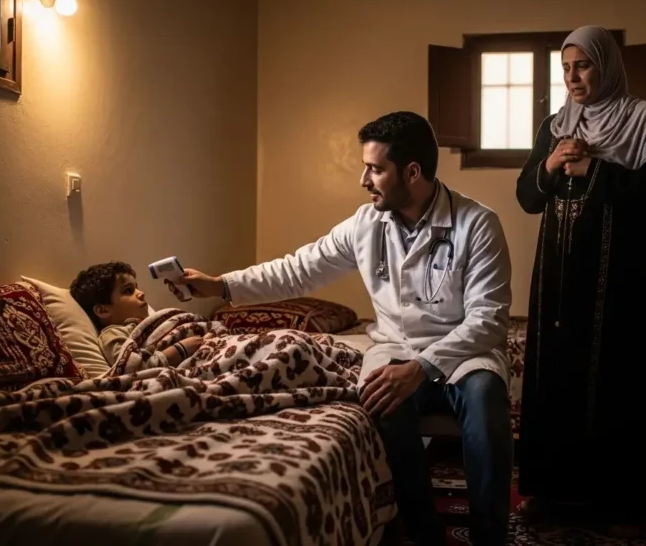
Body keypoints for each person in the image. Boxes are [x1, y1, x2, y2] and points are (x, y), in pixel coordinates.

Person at [167, 111, 514, 546]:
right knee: (381, 400)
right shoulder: (365, 224)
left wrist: (422, 367)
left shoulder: (477, 224)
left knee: (486, 397)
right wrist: (221, 285)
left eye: (375, 168)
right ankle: (424, 532)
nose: (364, 179)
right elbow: (297, 270)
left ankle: (489, 535)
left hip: (463, 352)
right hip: (394, 347)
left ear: (412, 172)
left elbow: (488, 319)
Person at [514, 25, 646, 536]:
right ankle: (548, 492)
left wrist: (595, 170)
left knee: (614, 378)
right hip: (559, 279)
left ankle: (616, 501)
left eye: (582, 65)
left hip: (617, 280)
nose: (572, 77)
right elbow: (527, 195)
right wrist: (552, 162)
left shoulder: (642, 117)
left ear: (605, 64)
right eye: (565, 68)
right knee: (554, 377)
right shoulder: (557, 123)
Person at [70, 261, 202, 367]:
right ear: (103, 310)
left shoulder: (147, 324)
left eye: (136, 287)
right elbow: (132, 368)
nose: (141, 293)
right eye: (128, 290)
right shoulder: (112, 334)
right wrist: (178, 351)